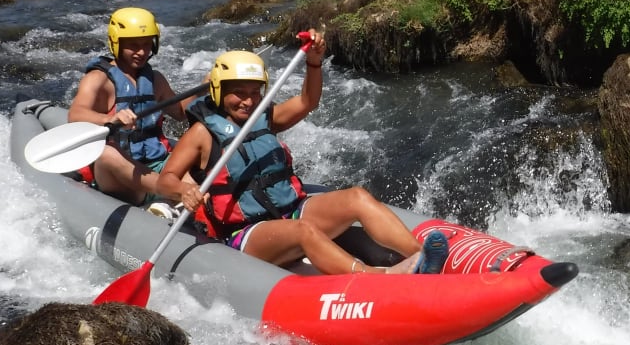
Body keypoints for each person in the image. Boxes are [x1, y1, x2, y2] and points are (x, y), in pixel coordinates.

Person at [156, 37, 449, 275]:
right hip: (244, 233)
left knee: (357, 197)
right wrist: (184, 189)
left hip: (290, 209)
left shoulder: (264, 116)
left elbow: (308, 101)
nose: (248, 101)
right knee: (302, 231)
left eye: (254, 92)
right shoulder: (201, 134)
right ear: (219, 91)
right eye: (238, 93)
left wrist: (313, 62)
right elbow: (165, 180)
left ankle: (421, 256)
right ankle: (374, 278)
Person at [68, 7, 195, 206]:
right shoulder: (98, 79)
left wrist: (206, 90)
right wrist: (110, 119)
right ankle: (174, 193)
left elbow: (180, 112)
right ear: (116, 43)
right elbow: (75, 114)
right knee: (105, 153)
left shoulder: (155, 79)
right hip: (122, 178)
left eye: (146, 44)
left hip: (158, 165)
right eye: (133, 46)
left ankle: (169, 202)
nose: (142, 52)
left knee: (201, 145)